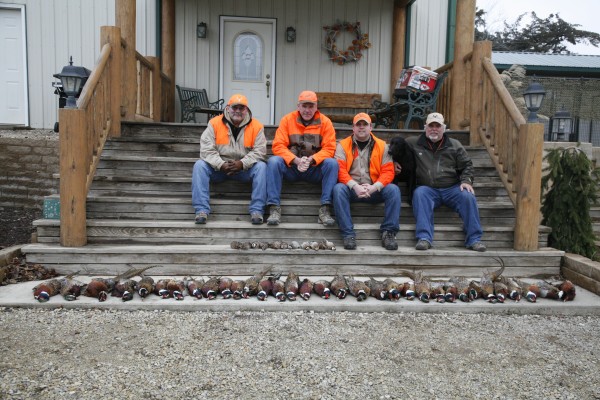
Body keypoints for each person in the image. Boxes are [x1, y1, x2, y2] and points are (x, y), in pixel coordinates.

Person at [404, 112, 486, 252]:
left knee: (468, 196)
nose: (434, 129)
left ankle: (474, 239)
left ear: (444, 128)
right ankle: (424, 238)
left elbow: (467, 165)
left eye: (438, 126)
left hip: (452, 189)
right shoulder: (413, 143)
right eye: (431, 126)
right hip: (427, 189)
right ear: (425, 127)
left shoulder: (455, 145)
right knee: (419, 194)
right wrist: (395, 163)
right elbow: (397, 149)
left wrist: (466, 181)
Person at [192, 94, 267, 225]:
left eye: (241, 108)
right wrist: (220, 164)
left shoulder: (257, 126)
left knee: (262, 167)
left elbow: (260, 151)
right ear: (228, 108)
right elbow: (206, 149)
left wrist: (242, 163)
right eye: (234, 107)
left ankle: (257, 211)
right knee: (199, 165)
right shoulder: (214, 123)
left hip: (244, 170)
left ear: (246, 110)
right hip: (219, 169)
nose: (238, 111)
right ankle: (201, 210)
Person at [266, 90, 339, 226]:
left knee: (332, 164)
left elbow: (330, 148)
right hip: (292, 168)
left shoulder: (325, 122)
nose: (307, 110)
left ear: (316, 107)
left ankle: (325, 209)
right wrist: (296, 160)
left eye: (311, 106)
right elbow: (278, 146)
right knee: (273, 161)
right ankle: (274, 208)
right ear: (298, 106)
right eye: (304, 106)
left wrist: (312, 159)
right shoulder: (287, 120)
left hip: (314, 169)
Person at [332, 113, 401, 250]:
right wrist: (355, 186)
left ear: (371, 127)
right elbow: (340, 171)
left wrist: (374, 187)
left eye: (365, 124)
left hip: (374, 190)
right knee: (338, 189)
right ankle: (348, 234)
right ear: (353, 128)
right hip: (352, 189)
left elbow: (388, 172)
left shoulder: (382, 146)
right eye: (358, 124)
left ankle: (389, 233)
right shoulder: (342, 145)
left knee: (394, 190)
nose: (361, 127)